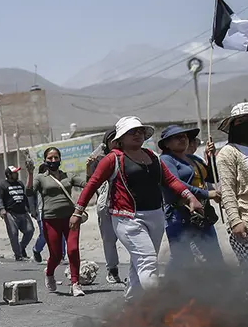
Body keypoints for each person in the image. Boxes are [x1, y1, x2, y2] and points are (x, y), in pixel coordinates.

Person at [74, 116, 202, 300]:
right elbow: (92, 183)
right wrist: (78, 211)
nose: (137, 134)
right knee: (147, 261)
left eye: (140, 131)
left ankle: (131, 306)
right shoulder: (113, 159)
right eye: (131, 132)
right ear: (121, 138)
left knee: (139, 263)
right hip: (128, 218)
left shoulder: (152, 156)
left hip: (156, 216)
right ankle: (159, 306)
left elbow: (171, 180)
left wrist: (190, 197)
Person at [157, 125, 224, 273]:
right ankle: (169, 287)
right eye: (177, 137)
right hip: (178, 213)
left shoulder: (194, 159)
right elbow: (176, 183)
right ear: (167, 144)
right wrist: (207, 194)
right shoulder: (166, 160)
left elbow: (213, 176)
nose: (182, 139)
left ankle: (217, 288)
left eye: (185, 136)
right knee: (181, 257)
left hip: (201, 212)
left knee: (213, 252)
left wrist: (211, 158)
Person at [30, 148, 88, 296]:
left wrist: (89, 169)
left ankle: (75, 283)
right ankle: (49, 273)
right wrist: (30, 174)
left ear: (60, 159)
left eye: (56, 157)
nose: (53, 160)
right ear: (45, 160)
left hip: (71, 218)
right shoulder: (41, 178)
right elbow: (29, 192)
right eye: (50, 158)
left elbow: (87, 185)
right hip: (50, 220)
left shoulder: (68, 176)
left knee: (73, 250)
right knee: (56, 255)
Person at [215, 102, 248, 271]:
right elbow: (227, 190)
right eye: (242, 120)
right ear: (234, 126)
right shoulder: (229, 152)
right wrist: (235, 221)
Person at [85, 130, 123, 284]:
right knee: (109, 240)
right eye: (111, 139)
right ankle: (112, 270)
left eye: (117, 139)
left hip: (124, 205)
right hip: (106, 205)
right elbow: (90, 183)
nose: (115, 142)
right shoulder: (98, 160)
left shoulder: (127, 157)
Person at [0, 165, 35, 261]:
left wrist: (30, 209)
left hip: (23, 212)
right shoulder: (2, 185)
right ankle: (18, 255)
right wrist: (2, 209)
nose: (16, 174)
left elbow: (25, 197)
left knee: (30, 230)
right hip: (10, 213)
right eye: (14, 173)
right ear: (8, 174)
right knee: (13, 234)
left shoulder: (20, 183)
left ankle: (21, 247)